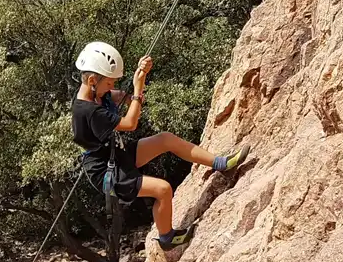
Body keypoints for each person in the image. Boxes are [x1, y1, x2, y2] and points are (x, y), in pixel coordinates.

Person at [71, 41, 250, 250]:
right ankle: (167, 238)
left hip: (114, 153)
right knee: (163, 189)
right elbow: (130, 124)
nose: (111, 87)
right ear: (93, 79)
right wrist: (137, 91)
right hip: (106, 171)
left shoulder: (96, 93)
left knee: (165, 139)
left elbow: (121, 97)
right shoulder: (88, 110)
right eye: (109, 83)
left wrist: (141, 75)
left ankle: (220, 163)